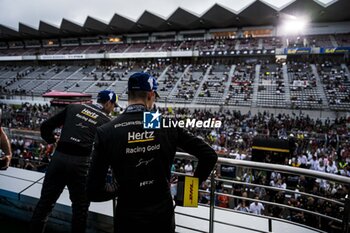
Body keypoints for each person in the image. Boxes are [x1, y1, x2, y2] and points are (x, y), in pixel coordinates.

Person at [87, 72, 218, 233]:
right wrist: (190, 188)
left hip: (128, 215)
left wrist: (118, 189)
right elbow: (209, 155)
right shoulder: (166, 124)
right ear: (150, 95)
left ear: (129, 95)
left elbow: (93, 190)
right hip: (161, 214)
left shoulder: (106, 130)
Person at [29, 90, 117, 233]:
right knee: (80, 210)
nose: (113, 109)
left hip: (59, 159)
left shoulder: (74, 107)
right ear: (108, 103)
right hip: (82, 165)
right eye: (113, 106)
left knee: (45, 205)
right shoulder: (107, 122)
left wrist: (53, 140)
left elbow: (45, 126)